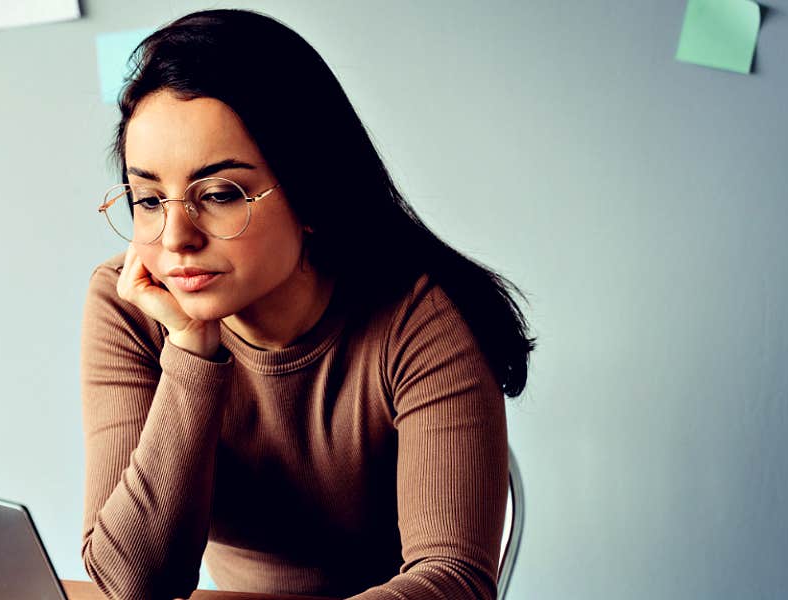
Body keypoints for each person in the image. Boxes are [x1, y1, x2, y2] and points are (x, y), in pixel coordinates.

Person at [80, 9, 536, 600]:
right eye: (147, 198)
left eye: (218, 194)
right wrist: (192, 349)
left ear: (312, 192)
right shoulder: (133, 307)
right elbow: (132, 586)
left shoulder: (421, 319)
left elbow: (453, 581)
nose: (174, 238)